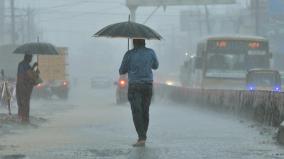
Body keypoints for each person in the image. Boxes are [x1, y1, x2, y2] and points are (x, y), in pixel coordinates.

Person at [119, 39, 159, 147]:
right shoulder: (151, 52)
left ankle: (141, 138)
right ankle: (143, 137)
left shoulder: (129, 54)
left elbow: (121, 71)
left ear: (134, 43)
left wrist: (129, 60)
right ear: (144, 42)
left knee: (137, 112)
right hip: (148, 86)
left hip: (134, 86)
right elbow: (156, 66)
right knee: (145, 111)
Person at [16, 54, 38, 123]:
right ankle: (25, 119)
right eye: (30, 58)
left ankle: (20, 117)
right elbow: (31, 76)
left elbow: (27, 72)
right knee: (25, 103)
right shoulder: (26, 66)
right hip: (25, 87)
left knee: (20, 103)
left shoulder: (20, 64)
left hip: (19, 86)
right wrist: (35, 69)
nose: (31, 59)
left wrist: (33, 67)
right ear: (27, 58)